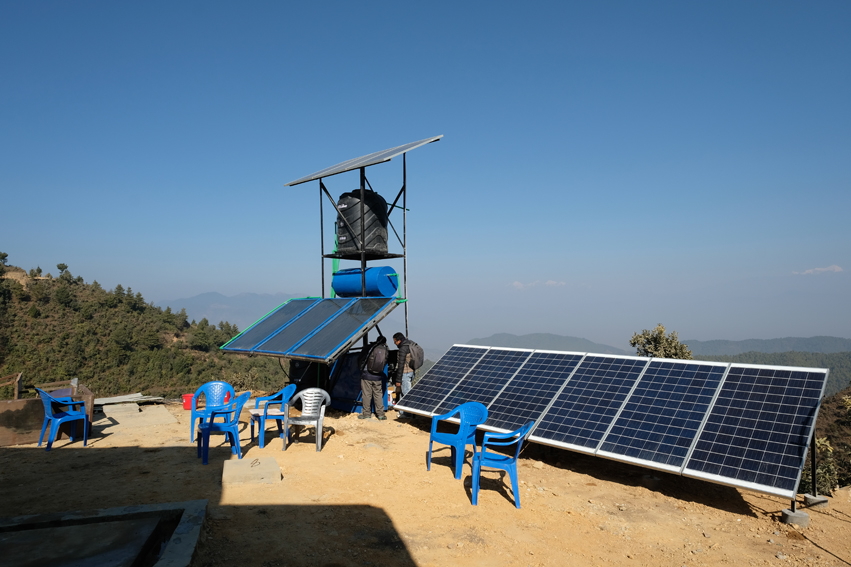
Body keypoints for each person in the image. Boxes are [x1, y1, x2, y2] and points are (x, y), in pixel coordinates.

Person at [358, 336, 388, 420]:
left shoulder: (369, 347)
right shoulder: (385, 350)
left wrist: (361, 369)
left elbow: (361, 358)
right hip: (378, 376)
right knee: (378, 394)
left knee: (367, 394)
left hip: (366, 375)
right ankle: (381, 414)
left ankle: (366, 414)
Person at [393, 332, 415, 417]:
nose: (395, 344)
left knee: (406, 393)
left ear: (399, 340)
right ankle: (403, 412)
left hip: (405, 373)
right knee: (403, 392)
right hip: (411, 371)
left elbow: (401, 365)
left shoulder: (403, 348)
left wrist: (398, 380)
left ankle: (410, 413)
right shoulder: (410, 344)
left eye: (395, 342)